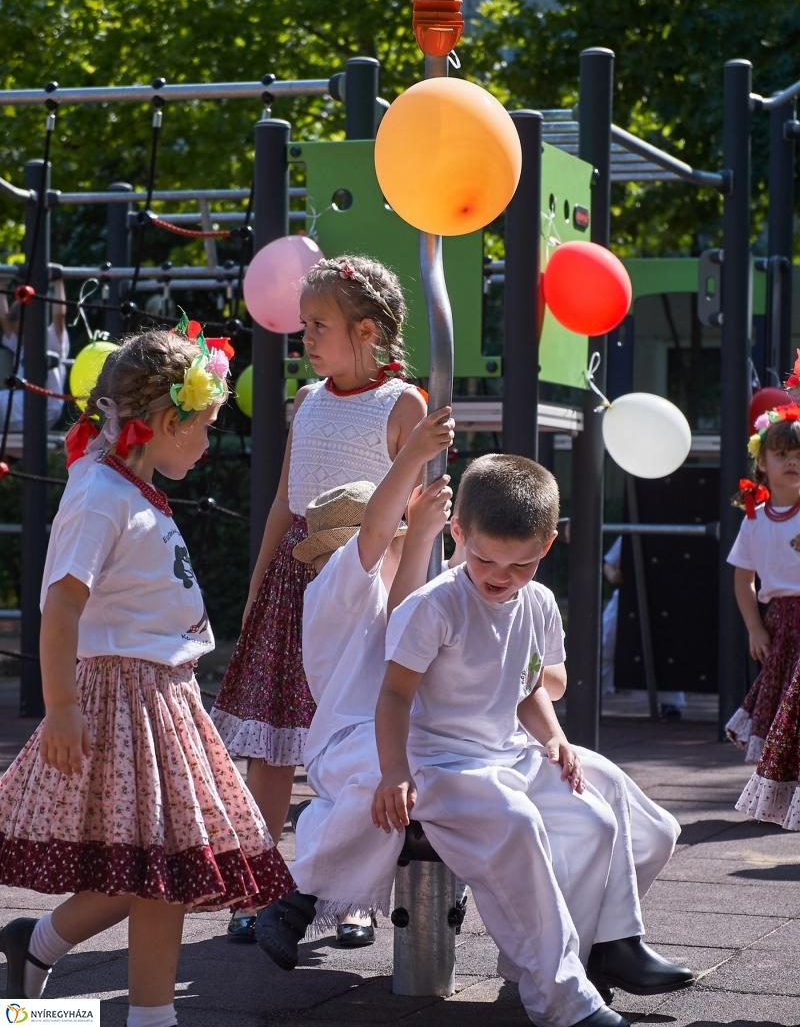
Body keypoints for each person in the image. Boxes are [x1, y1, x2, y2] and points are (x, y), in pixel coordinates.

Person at [0, 323, 295, 1020]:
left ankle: (39, 950)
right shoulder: (100, 495)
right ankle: (141, 1012)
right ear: (165, 420)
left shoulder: (129, 487)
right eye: (203, 426)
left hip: (165, 695)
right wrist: (62, 707)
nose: (207, 440)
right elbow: (61, 606)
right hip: (126, 697)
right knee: (162, 867)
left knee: (159, 866)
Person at [371, 455, 693, 1027]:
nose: (500, 575)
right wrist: (394, 770)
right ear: (458, 534)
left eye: (520, 564)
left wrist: (556, 739)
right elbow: (394, 695)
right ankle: (562, 998)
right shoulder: (435, 605)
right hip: (442, 763)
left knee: (596, 818)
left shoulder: (537, 602)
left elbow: (525, 688)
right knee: (518, 823)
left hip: (505, 753)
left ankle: (591, 951)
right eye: (485, 558)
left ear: (546, 546)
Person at [210, 255, 426, 938]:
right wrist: (255, 584)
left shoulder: (404, 405)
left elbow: (412, 514)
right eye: (304, 325)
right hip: (294, 579)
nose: (305, 338)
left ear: (368, 330)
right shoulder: (307, 401)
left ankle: (350, 898)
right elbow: (284, 499)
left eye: (319, 325)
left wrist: (399, 598)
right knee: (274, 746)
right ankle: (259, 890)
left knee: (352, 739)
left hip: (361, 584)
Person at [255, 409, 454, 963]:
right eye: (390, 539)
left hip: (386, 731)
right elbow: (372, 536)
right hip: (344, 737)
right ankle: (298, 895)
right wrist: (413, 455)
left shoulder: (380, 586)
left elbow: (404, 611)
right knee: (380, 779)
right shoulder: (334, 586)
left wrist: (422, 536)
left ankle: (346, 896)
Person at [725, 404, 800, 762]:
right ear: (762, 463)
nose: (792, 462)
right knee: (786, 704)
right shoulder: (754, 522)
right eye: (782, 454)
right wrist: (754, 628)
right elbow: (743, 578)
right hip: (782, 623)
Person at [602, 537, 687, 720]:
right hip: (628, 599)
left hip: (666, 603)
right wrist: (613, 575)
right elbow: (608, 563)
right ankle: (594, 694)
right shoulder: (630, 534)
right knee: (606, 642)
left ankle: (670, 701)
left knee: (667, 649)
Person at [0, 275, 70, 431]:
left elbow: (59, 315)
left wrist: (58, 282)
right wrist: (2, 285)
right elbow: (3, 318)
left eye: (23, 332)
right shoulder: (20, 343)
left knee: (3, 401)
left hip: (47, 404)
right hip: (24, 403)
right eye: (18, 333)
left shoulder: (50, 338)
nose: (20, 337)